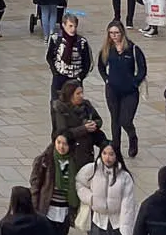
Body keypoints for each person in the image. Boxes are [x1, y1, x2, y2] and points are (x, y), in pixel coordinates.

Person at [30, 132, 81, 235]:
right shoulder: (45, 160)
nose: (61, 146)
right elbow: (35, 185)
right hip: (47, 210)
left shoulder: (74, 162)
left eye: (64, 143)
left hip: (65, 211)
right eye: (58, 142)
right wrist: (34, 207)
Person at [97, 21, 148, 157]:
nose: (114, 36)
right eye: (111, 33)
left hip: (130, 91)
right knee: (115, 119)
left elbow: (142, 68)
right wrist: (106, 79)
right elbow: (101, 66)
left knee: (125, 119)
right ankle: (116, 147)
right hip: (112, 90)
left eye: (116, 33)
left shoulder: (132, 49)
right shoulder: (107, 49)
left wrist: (135, 82)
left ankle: (132, 136)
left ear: (122, 33)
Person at [53, 81, 106, 174]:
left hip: (86, 150)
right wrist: (84, 128)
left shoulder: (86, 106)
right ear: (70, 95)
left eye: (82, 92)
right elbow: (63, 132)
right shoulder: (61, 109)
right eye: (78, 93)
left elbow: (98, 120)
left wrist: (94, 124)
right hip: (71, 151)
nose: (81, 95)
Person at [46, 12, 93, 97]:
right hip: (60, 78)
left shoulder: (82, 42)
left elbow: (87, 62)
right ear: (64, 25)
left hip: (75, 79)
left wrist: (80, 77)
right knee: (57, 104)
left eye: (75, 26)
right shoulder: (56, 39)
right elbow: (49, 57)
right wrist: (55, 73)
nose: (73, 29)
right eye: (70, 26)